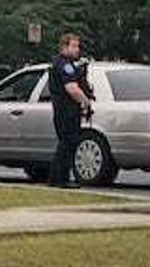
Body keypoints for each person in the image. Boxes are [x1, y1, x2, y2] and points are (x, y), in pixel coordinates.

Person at [48, 32, 93, 187]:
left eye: (78, 46)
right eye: (73, 46)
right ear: (64, 47)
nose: (77, 49)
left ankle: (56, 179)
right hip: (66, 110)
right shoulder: (65, 65)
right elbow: (72, 89)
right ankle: (61, 179)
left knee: (65, 143)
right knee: (67, 143)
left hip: (64, 109)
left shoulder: (63, 63)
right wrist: (86, 101)